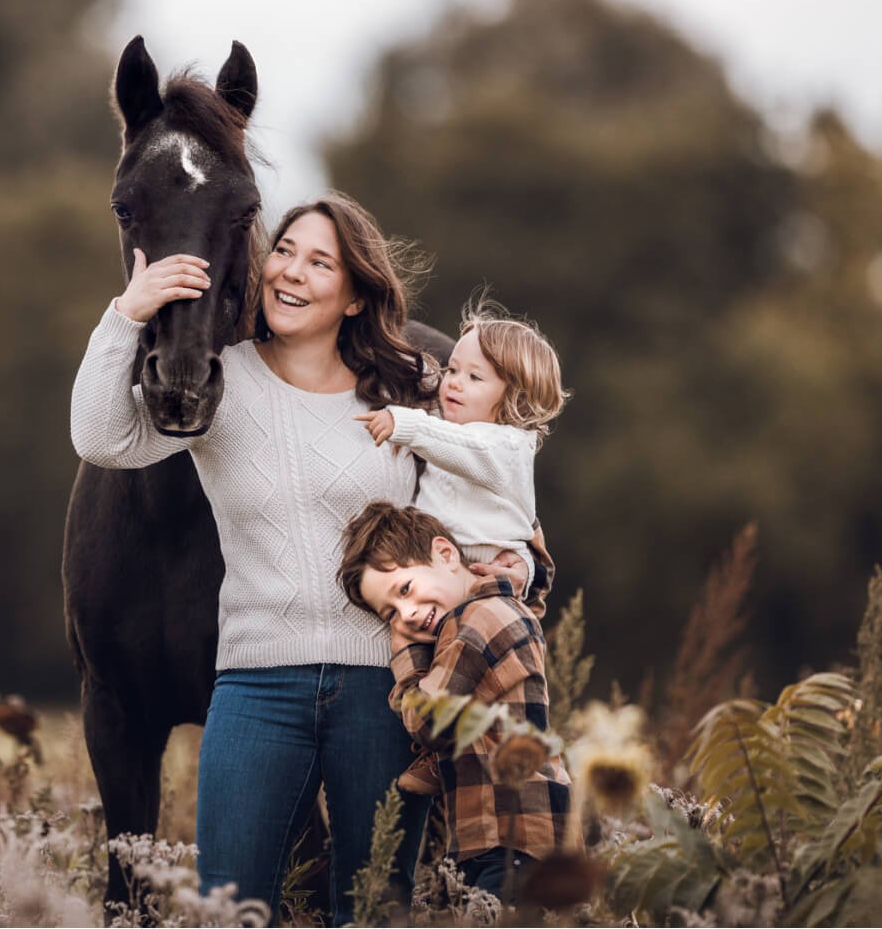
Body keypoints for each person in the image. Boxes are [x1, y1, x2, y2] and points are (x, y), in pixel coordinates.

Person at [71, 192, 436, 925]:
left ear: (357, 295)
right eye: (285, 252)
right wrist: (126, 314)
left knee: (370, 910)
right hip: (253, 690)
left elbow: (491, 468)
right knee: (232, 910)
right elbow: (100, 439)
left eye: (319, 262)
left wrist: (514, 554)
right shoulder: (220, 384)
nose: (290, 273)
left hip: (378, 689)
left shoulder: (406, 391)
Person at [352, 295, 568, 796]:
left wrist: (404, 424)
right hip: (454, 583)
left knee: (483, 682)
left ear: (512, 395)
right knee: (442, 670)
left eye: (475, 378)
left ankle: (507, 771)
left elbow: (463, 450)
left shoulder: (507, 445)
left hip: (491, 586)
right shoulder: (451, 432)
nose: (453, 383)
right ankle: (436, 753)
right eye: (452, 370)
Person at [338, 501, 572, 898]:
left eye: (405, 589)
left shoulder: (476, 622)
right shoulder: (496, 608)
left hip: (513, 835)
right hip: (510, 835)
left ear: (446, 554)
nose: (407, 615)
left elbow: (429, 722)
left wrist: (405, 657)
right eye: (389, 614)